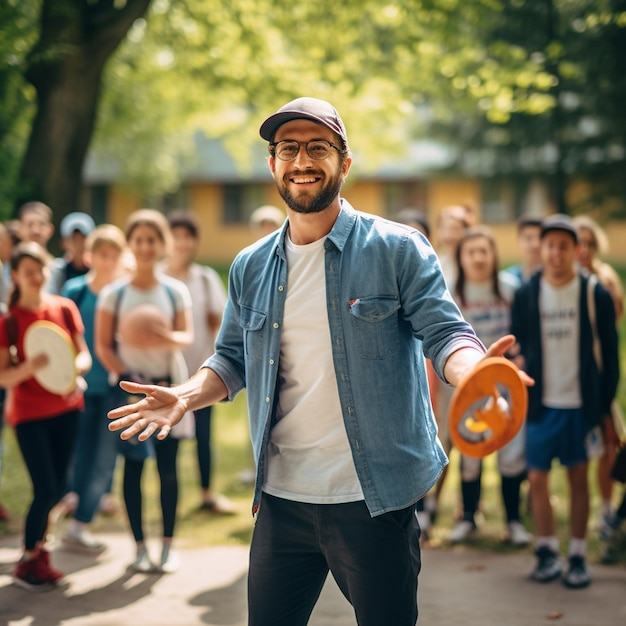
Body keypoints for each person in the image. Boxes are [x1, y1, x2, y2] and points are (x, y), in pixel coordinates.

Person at [107, 97, 530, 626]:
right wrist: (186, 396)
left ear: (344, 163)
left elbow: (445, 333)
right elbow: (233, 357)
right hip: (282, 501)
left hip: (373, 498)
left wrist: (475, 373)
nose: (301, 160)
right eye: (288, 148)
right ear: (272, 164)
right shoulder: (251, 265)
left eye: (317, 147)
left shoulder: (398, 249)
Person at [510, 214, 619, 589]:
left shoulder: (594, 293)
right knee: (537, 478)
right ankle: (546, 550)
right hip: (541, 403)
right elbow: (518, 342)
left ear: (578, 250)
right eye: (549, 245)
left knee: (578, 478)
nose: (556, 253)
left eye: (564, 246)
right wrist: (518, 362)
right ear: (541, 249)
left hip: (580, 404)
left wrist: (604, 410)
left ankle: (576, 554)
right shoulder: (527, 293)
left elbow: (611, 357)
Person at [95, 209, 193, 574]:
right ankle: (138, 546)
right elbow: (103, 345)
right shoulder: (113, 294)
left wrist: (161, 336)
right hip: (130, 392)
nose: (145, 246)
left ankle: (167, 546)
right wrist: (126, 374)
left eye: (152, 239)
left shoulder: (174, 290)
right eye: (138, 239)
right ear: (130, 244)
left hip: (168, 390)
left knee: (168, 470)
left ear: (161, 244)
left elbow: (186, 336)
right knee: (133, 470)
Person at [0, 241, 91, 591]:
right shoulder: (8, 321)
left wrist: (74, 372)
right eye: (28, 272)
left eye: (40, 270)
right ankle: (27, 559)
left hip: (67, 410)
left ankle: (39, 554)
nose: (36, 277)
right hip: (30, 415)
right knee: (45, 488)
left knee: (57, 491)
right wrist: (29, 368)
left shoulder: (64, 308)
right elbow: (4, 376)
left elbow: (83, 355)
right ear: (15, 276)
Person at [447, 226, 530, 547]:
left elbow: (523, 334)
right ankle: (468, 518)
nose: (478, 258)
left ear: (494, 255)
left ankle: (513, 522)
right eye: (471, 252)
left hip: (508, 386)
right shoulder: (451, 293)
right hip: (467, 389)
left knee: (511, 451)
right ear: (461, 258)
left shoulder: (512, 290)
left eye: (484, 251)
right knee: (471, 453)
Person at [59, 225, 128, 552]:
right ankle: (67, 504)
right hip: (76, 387)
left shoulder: (124, 294)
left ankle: (80, 523)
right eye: (102, 254)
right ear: (90, 256)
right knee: (74, 451)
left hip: (112, 388)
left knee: (103, 457)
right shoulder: (75, 291)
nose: (108, 261)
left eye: (114, 255)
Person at [163, 210, 234, 513]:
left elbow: (224, 324)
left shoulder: (205, 279)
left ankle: (206, 494)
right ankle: (170, 501)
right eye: (176, 236)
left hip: (201, 376)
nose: (182, 243)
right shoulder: (157, 280)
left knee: (203, 438)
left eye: (187, 237)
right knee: (169, 440)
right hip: (165, 374)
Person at [573, 214, 624, 539]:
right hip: (568, 379)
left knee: (608, 444)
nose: (583, 250)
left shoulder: (604, 281)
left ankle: (607, 509)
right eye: (578, 243)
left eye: (589, 244)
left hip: (599, 376)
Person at [46, 212, 96, 295]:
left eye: (83, 238)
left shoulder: (100, 269)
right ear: (64, 242)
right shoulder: (57, 270)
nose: (80, 244)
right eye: (74, 239)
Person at [502, 215, 543, 284]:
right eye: (529, 238)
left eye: (540, 238)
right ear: (518, 240)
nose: (535, 244)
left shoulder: (554, 279)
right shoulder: (508, 279)